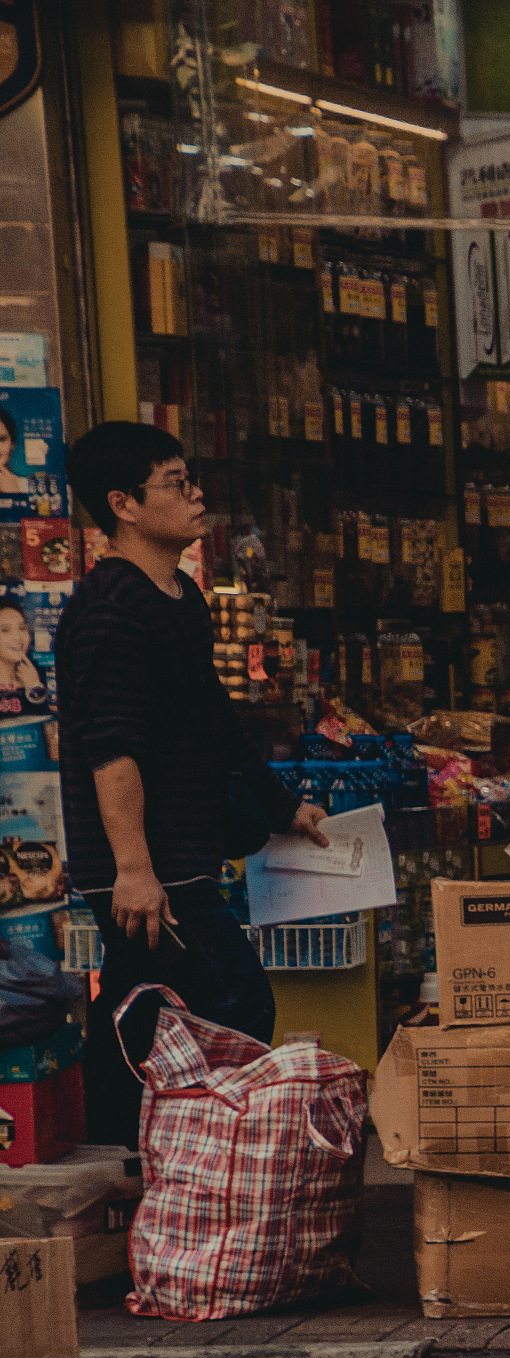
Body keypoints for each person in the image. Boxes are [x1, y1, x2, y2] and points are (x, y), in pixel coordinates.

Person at [60, 422, 327, 1142]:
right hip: (151, 866)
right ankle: (200, 1160)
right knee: (236, 996)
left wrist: (282, 806)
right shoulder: (112, 609)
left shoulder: (177, 594)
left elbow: (215, 721)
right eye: (176, 483)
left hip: (175, 856)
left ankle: (125, 1166)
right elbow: (110, 750)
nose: (196, 493)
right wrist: (135, 870)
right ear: (123, 504)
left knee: (138, 1008)